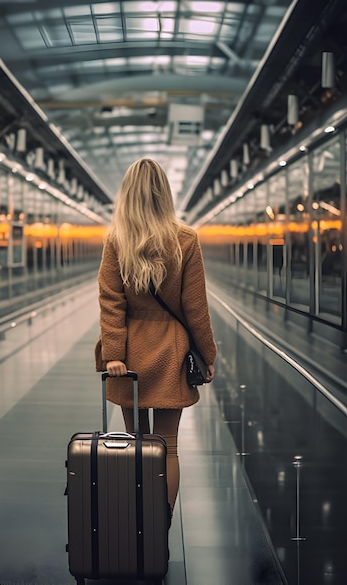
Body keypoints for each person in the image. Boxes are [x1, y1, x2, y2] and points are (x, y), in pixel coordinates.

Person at [95, 157, 217, 516]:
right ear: (164, 193)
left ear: (127, 195)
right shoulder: (185, 239)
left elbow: (111, 301)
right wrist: (207, 355)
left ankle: (135, 525)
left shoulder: (117, 239)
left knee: (136, 442)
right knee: (169, 447)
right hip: (171, 350)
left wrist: (113, 353)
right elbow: (195, 306)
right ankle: (158, 526)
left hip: (130, 353)